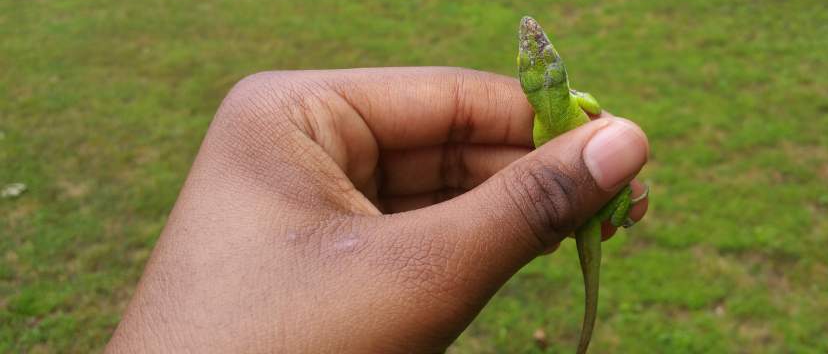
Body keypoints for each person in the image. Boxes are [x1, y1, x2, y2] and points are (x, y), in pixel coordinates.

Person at [106, 68, 649, 353]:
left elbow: (541, 146)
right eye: (539, 62)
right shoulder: (574, 105)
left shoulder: (534, 126)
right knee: (619, 205)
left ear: (533, 84)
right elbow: (595, 108)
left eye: (540, 59)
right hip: (599, 198)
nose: (538, 56)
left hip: (579, 195)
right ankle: (619, 212)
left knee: (595, 227)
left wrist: (551, 183)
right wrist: (557, 189)